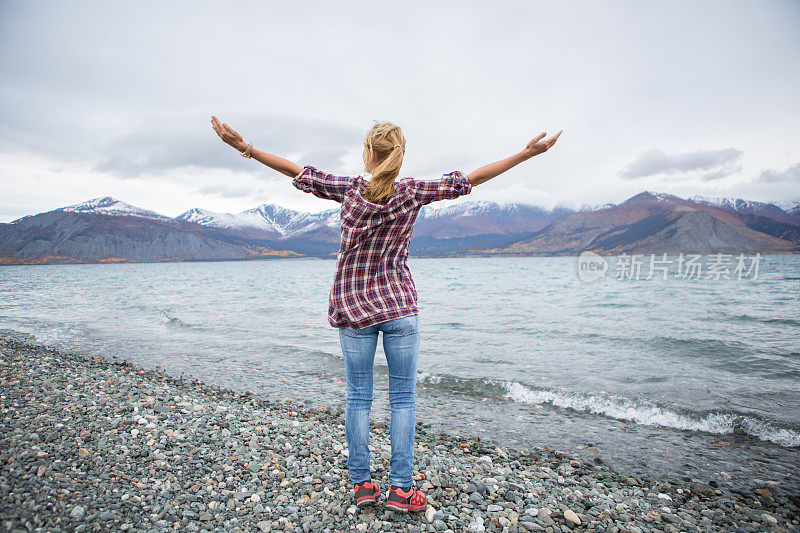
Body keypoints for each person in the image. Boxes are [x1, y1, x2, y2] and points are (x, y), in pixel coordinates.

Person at [211, 116, 562, 513]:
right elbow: (472, 180)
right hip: (399, 307)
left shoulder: (348, 190)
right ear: (399, 154)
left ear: (368, 153)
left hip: (353, 309)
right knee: (402, 401)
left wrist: (245, 148)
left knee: (358, 399)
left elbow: (295, 170)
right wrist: (526, 155)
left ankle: (363, 485)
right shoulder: (412, 192)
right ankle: (400, 490)